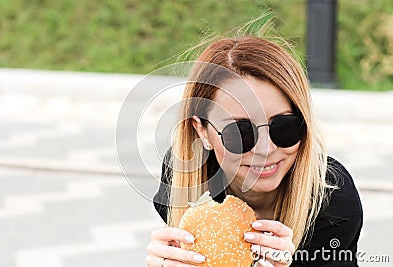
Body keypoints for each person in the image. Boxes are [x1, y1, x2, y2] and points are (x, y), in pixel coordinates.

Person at [146, 33, 363, 267]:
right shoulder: (183, 176)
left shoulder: (332, 198)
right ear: (202, 131)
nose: (265, 149)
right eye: (240, 133)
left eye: (284, 126)